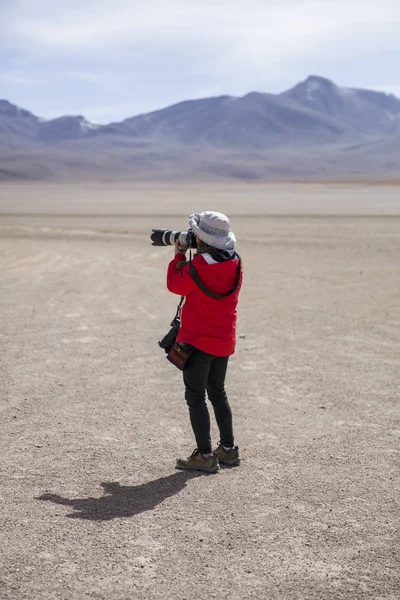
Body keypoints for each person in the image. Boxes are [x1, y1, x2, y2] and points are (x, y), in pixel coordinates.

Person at [166, 211, 242, 473]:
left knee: (196, 396)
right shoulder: (235, 262)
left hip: (198, 341)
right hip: (223, 340)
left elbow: (175, 285)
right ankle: (228, 451)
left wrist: (178, 255)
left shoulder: (199, 266)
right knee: (218, 392)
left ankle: (205, 456)